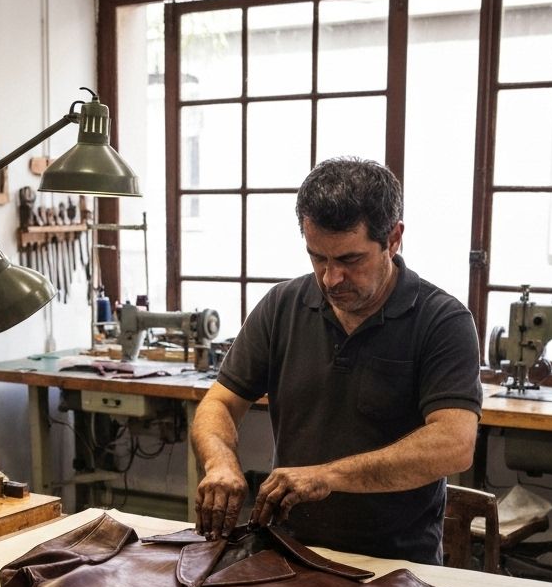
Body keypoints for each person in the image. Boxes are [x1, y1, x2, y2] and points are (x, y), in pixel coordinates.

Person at [192, 157, 482, 564]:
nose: (330, 279)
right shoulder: (282, 305)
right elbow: (219, 402)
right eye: (318, 258)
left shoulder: (441, 320)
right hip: (289, 551)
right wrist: (220, 462)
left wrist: (327, 476)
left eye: (349, 260)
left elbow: (454, 444)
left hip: (395, 564)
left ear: (393, 239)